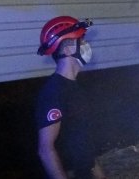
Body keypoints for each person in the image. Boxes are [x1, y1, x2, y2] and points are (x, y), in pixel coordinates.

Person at [35, 16, 106, 179]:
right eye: (81, 40)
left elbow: (84, 143)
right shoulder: (54, 92)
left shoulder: (75, 89)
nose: (86, 45)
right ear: (67, 50)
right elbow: (45, 150)